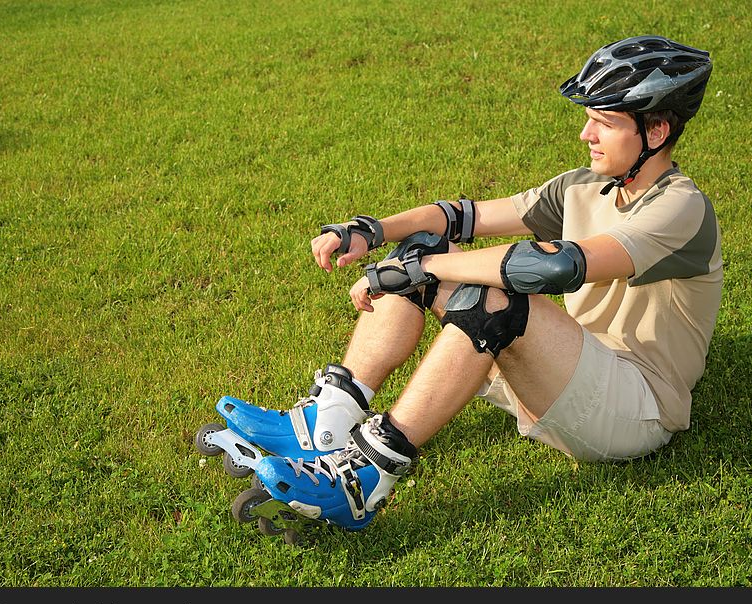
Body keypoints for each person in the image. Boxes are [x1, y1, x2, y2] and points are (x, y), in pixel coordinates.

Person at [215, 35, 722, 533]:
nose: (586, 134)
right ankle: (327, 421)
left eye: (604, 123)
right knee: (423, 248)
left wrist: (427, 272)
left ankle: (361, 481)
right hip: (566, 376)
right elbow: (463, 217)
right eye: (588, 118)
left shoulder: (679, 207)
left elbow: (558, 266)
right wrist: (373, 231)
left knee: (493, 296)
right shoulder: (586, 187)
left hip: (633, 410)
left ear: (655, 132)